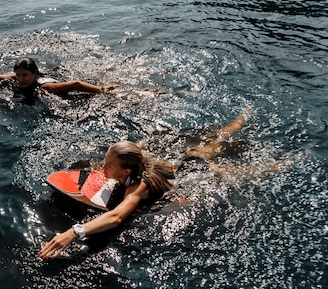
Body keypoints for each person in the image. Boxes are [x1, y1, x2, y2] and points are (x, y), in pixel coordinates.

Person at [39, 111, 260, 259]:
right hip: (184, 160)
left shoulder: (137, 187)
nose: (102, 169)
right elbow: (135, 147)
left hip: (196, 172)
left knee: (250, 173)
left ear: (126, 171)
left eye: (108, 165)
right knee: (213, 144)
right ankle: (241, 119)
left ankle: (284, 164)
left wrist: (73, 232)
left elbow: (116, 217)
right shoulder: (134, 159)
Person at [0, 57, 117, 99]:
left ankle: (100, 85)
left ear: (34, 74)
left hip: (64, 93)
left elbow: (75, 84)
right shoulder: (15, 79)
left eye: (25, 75)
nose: (21, 79)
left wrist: (101, 90)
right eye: (18, 75)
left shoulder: (44, 88)